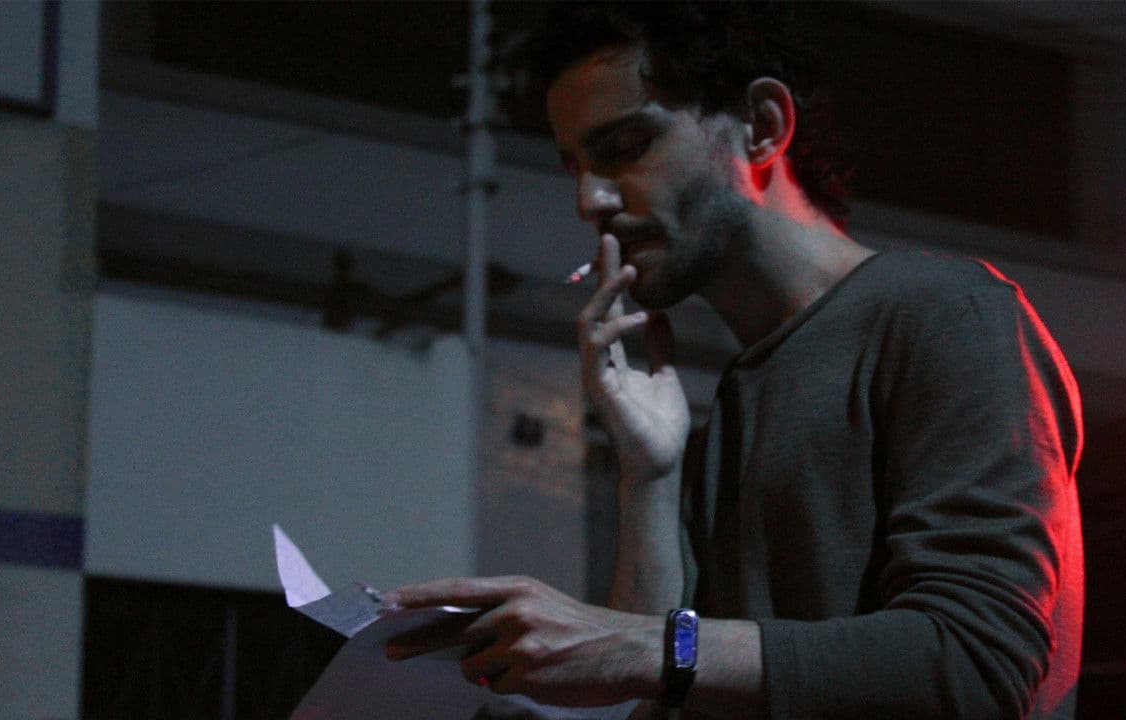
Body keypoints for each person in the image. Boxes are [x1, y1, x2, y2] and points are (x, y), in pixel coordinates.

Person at [383, 3, 1084, 718]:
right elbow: (663, 684)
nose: (589, 200)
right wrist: (650, 473)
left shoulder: (948, 314)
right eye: (576, 168)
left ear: (761, 126)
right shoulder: (742, 393)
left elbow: (974, 661)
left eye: (625, 147)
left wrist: (641, 647)